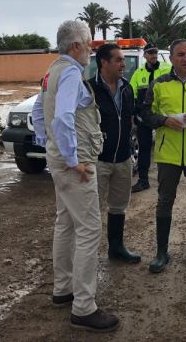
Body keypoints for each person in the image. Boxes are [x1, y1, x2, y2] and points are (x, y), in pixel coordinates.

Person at [42, 20, 118, 332]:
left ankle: (63, 288)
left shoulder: (52, 71)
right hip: (76, 164)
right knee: (89, 230)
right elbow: (63, 116)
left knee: (66, 222)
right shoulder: (71, 71)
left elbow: (39, 113)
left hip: (57, 159)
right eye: (88, 45)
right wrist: (73, 160)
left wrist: (51, 147)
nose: (90, 50)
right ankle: (84, 307)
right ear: (76, 46)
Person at [142, 39, 186, 273]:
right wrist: (164, 120)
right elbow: (145, 114)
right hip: (167, 154)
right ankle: (162, 252)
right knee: (164, 202)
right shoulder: (159, 84)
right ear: (170, 59)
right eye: (180, 55)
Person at [88, 43, 141, 263]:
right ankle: (87, 256)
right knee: (90, 210)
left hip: (123, 158)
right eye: (119, 60)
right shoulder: (88, 89)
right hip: (98, 160)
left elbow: (130, 119)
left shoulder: (127, 88)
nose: (123, 64)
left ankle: (116, 248)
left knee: (118, 206)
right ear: (104, 63)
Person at [129, 43, 170, 193]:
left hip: (162, 118)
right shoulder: (138, 74)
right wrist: (134, 114)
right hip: (144, 118)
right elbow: (132, 95)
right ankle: (143, 180)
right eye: (150, 52)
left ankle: (167, 181)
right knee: (145, 149)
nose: (153, 55)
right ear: (145, 55)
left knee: (166, 150)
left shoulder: (167, 69)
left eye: (155, 52)